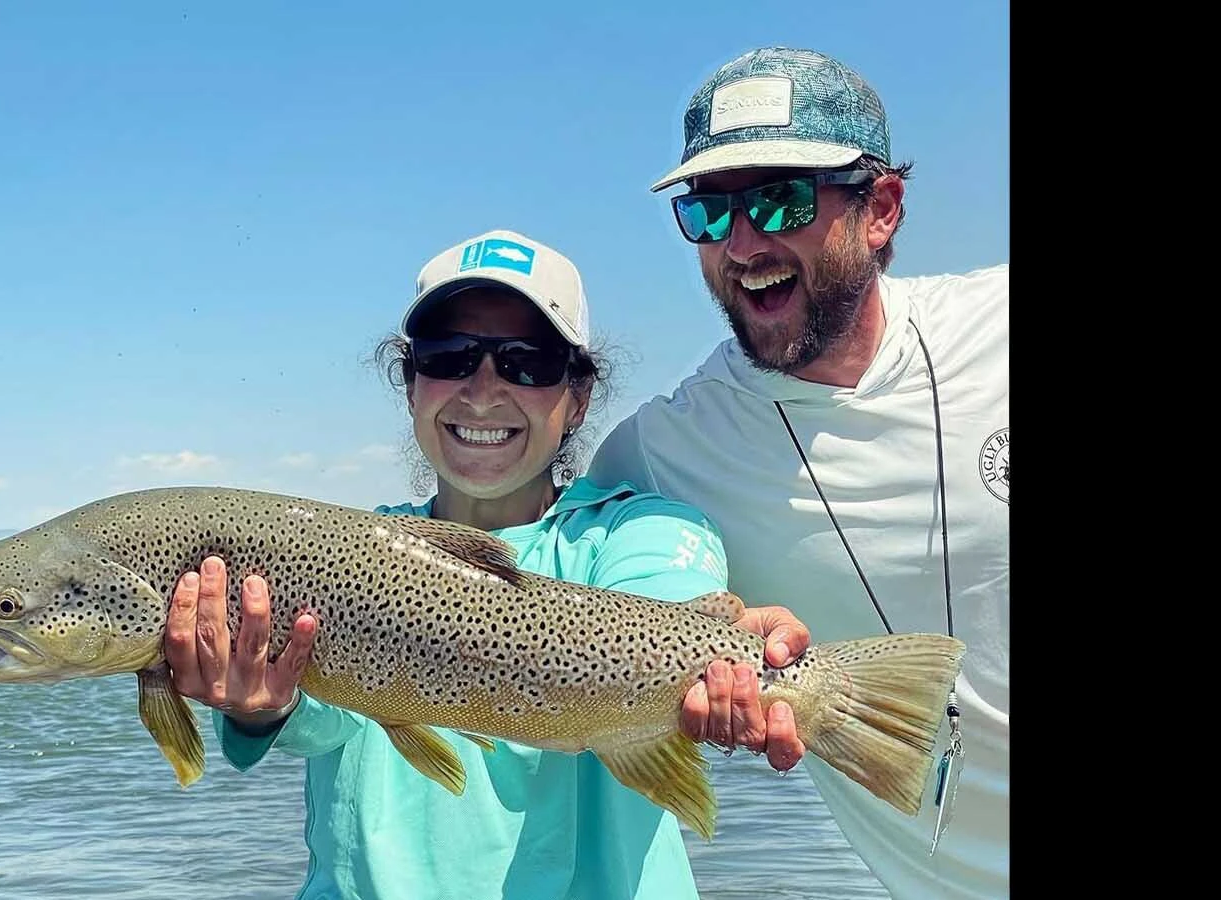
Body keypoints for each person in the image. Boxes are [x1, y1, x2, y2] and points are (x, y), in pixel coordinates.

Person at [160, 228, 810, 900]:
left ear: (578, 398)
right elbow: (331, 721)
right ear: (412, 386)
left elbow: (667, 603)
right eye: (450, 357)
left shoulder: (642, 530)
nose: (482, 389)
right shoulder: (354, 553)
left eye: (527, 362)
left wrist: (728, 660)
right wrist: (262, 708)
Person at [586, 47, 1008, 899]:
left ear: (881, 209)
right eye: (709, 212)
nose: (743, 244)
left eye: (780, 199)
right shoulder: (655, 456)